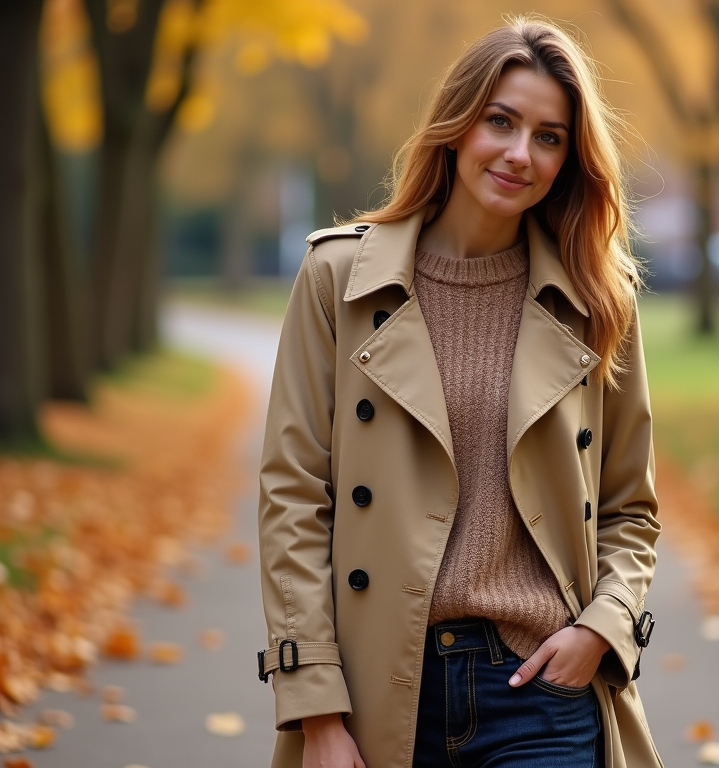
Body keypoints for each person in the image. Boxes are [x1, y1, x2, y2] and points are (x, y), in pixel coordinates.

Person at [256, 15, 661, 768]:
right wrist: (316, 708)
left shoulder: (596, 302)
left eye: (549, 136)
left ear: (570, 158)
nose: (519, 154)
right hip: (380, 692)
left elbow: (629, 509)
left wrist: (603, 627)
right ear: (455, 125)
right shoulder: (338, 281)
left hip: (542, 692)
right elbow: (294, 500)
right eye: (500, 122)